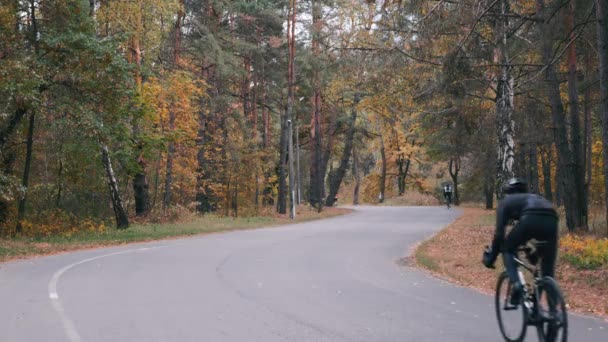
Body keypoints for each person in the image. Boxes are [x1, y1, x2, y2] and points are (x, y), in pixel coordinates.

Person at [482, 178, 558, 305]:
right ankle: (554, 315)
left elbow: (499, 234)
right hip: (552, 218)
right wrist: (533, 254)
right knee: (547, 272)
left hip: (531, 217)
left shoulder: (505, 202)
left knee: (507, 248)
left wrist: (492, 257)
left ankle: (517, 285)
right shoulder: (534, 198)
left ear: (508, 192)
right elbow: (526, 236)